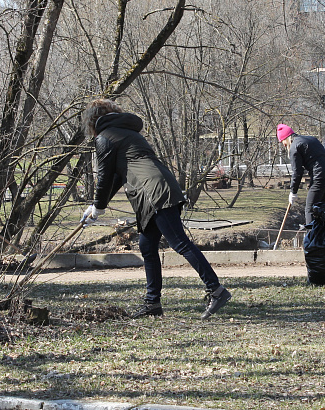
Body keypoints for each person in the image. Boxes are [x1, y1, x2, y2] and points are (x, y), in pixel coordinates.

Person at [82, 99, 231, 320]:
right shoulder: (125, 133)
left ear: (92, 120)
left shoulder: (105, 137)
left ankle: (217, 290)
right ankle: (152, 303)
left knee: (179, 242)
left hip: (154, 191)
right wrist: (95, 206)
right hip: (156, 188)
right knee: (147, 246)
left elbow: (104, 177)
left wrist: (98, 208)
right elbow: (115, 177)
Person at [276, 124, 325, 227]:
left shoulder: (294, 147)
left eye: (282, 141)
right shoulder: (311, 139)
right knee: (319, 207)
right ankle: (322, 234)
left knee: (310, 209)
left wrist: (293, 192)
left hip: (321, 176)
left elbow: (297, 172)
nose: (283, 145)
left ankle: (312, 239)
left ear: (286, 139)